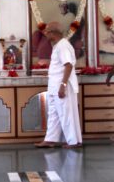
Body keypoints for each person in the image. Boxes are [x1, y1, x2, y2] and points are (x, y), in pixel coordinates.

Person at [35, 21, 82, 149]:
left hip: (62, 86)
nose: (45, 34)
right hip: (54, 86)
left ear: (53, 32)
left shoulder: (63, 46)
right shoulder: (57, 46)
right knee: (54, 113)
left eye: (47, 31)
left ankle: (73, 141)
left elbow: (68, 65)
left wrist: (63, 85)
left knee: (66, 113)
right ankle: (50, 139)